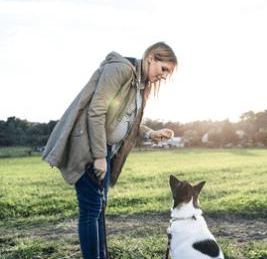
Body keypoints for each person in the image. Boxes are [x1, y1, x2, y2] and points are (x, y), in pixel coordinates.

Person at [42, 42, 178, 259]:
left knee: (98, 211)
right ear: (151, 58)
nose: (164, 76)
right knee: (90, 211)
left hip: (104, 150)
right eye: (164, 69)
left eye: (168, 73)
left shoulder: (139, 84)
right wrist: (98, 157)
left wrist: (150, 133)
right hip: (88, 147)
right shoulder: (121, 70)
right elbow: (96, 111)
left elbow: (125, 120)